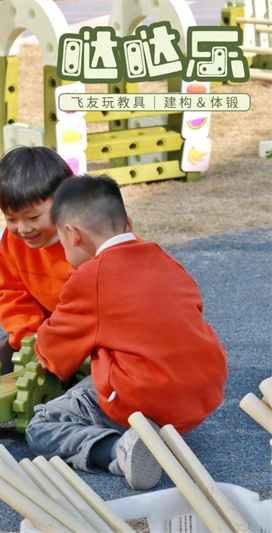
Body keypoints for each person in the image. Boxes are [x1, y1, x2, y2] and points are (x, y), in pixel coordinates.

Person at [26, 175, 227, 490]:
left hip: (145, 400)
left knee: (41, 426)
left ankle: (118, 451)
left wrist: (42, 342)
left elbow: (53, 353)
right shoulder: (165, 259)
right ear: (128, 224)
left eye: (61, 241)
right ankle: (157, 430)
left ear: (72, 234)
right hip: (202, 395)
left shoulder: (90, 277)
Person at [0, 146, 75, 373]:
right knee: (5, 355)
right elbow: (10, 291)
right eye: (11, 219)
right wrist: (30, 337)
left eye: (33, 217)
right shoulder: (13, 241)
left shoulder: (86, 235)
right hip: (46, 330)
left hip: (90, 332)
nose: (23, 228)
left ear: (63, 204)